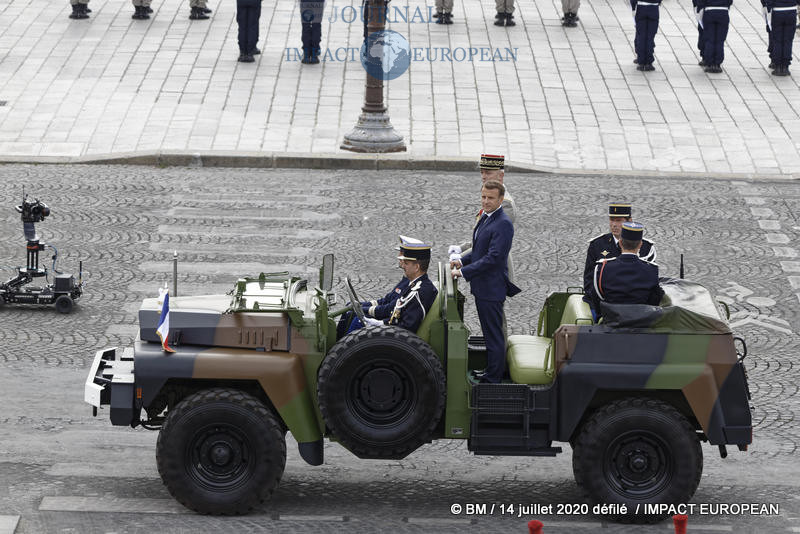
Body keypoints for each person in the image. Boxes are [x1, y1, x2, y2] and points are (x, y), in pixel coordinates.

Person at [451, 181, 521, 384]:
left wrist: (463, 272)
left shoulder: (503, 223)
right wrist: (461, 260)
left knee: (494, 336)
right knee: (489, 333)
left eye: (490, 198)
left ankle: (493, 379)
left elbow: (493, 258)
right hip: (483, 287)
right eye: (483, 197)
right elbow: (478, 249)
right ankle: (491, 370)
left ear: (501, 199)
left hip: (492, 288)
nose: (486, 201)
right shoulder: (486, 217)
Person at [337, 236, 438, 336]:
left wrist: (381, 324)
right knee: (354, 316)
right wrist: (381, 322)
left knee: (358, 322)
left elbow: (407, 327)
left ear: (416, 267)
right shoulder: (415, 285)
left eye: (406, 263)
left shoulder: (421, 291)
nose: (402, 265)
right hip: (393, 329)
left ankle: (343, 346)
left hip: (397, 338)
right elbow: (395, 311)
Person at [450, 154, 517, 285]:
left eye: (488, 173)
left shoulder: (505, 204)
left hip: (494, 275)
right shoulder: (490, 197)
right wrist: (461, 248)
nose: (483, 176)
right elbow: (482, 236)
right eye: (482, 172)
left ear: (501, 176)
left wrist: (461, 258)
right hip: (484, 273)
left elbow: (489, 246)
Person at [583, 202, 656, 317]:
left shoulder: (646, 247)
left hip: (637, 306)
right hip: (604, 305)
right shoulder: (597, 245)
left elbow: (650, 282)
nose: (614, 225)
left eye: (618, 220)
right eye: (611, 220)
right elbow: (589, 283)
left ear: (629, 221)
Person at [591, 222, 664, 314]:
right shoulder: (651, 269)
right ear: (640, 245)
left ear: (620, 243)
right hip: (642, 319)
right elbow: (654, 300)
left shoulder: (602, 268)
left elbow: (597, 297)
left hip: (611, 319)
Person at [697, 0, 731, 73]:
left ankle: (709, 63)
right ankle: (717, 64)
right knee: (720, 40)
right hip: (723, 11)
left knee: (709, 40)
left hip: (709, 11)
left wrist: (700, 9)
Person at [765, 0, 797, 76]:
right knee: (788, 41)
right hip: (791, 10)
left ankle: (778, 66)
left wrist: (768, 8)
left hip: (777, 10)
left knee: (777, 40)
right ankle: (785, 66)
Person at [632, 0, 661, 71]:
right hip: (654, 8)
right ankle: (649, 62)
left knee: (641, 37)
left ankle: (641, 62)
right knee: (650, 37)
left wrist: (633, 7)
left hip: (641, 8)